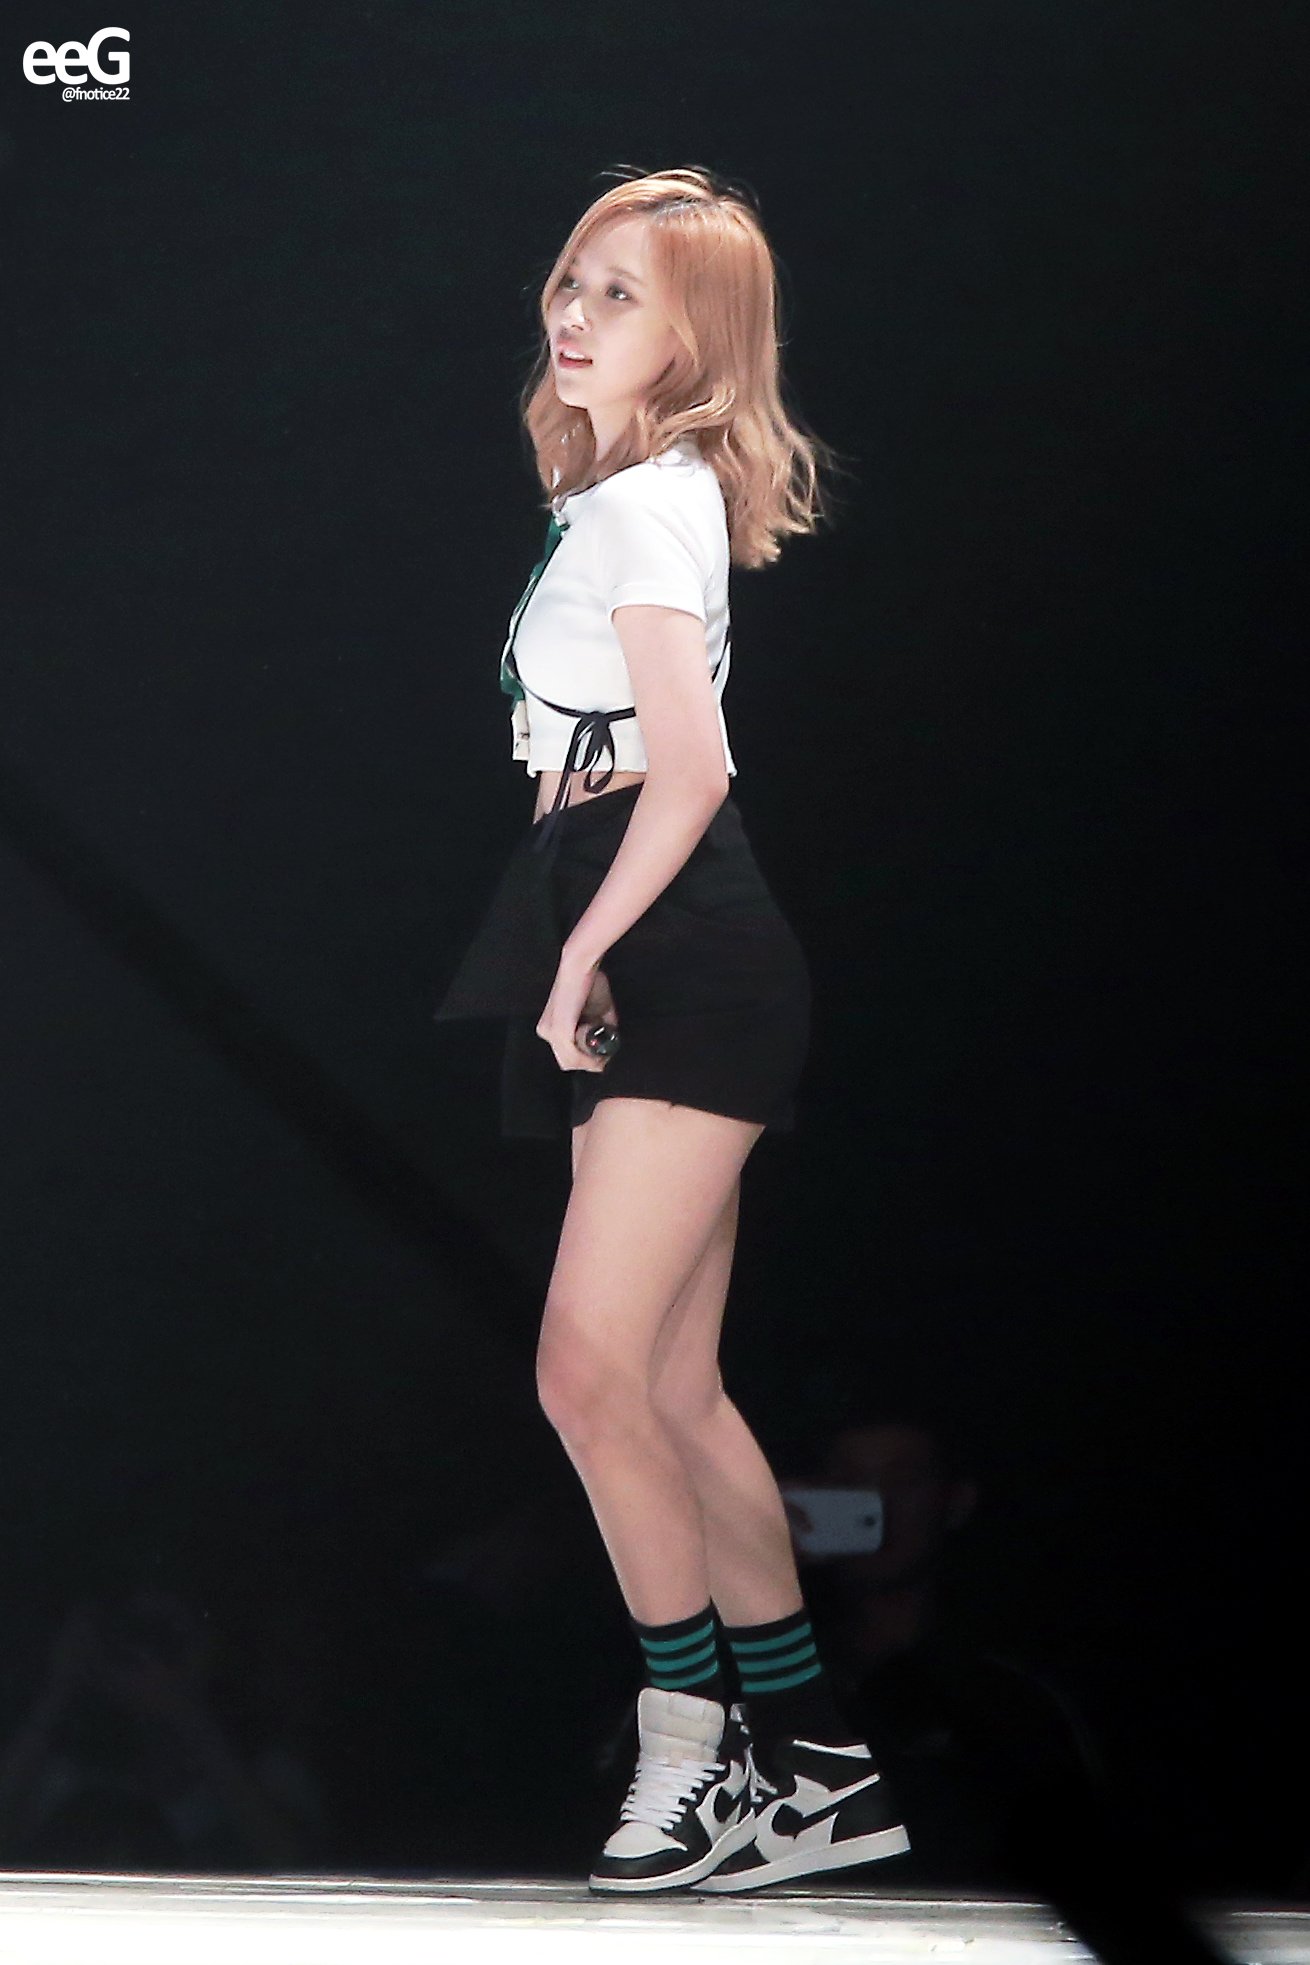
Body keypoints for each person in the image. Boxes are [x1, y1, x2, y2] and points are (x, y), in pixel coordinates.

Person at [433, 166, 909, 1895]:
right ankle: (818, 1767)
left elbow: (689, 769)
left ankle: (687, 1752)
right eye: (572, 278)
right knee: (673, 1388)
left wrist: (581, 955)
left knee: (587, 1366)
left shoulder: (647, 506)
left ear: (696, 334)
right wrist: (573, 937)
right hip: (642, 916)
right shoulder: (631, 493)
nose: (573, 313)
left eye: (619, 293)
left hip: (673, 928)